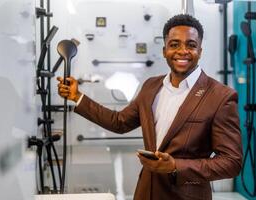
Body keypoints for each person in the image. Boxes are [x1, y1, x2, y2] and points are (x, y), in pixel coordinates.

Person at [57, 14, 242, 200]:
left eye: (191, 45)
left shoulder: (220, 96)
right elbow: (119, 122)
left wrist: (176, 166)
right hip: (147, 192)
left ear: (200, 51)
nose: (182, 51)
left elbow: (231, 162)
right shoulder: (151, 87)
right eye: (174, 44)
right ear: (164, 50)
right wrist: (77, 96)